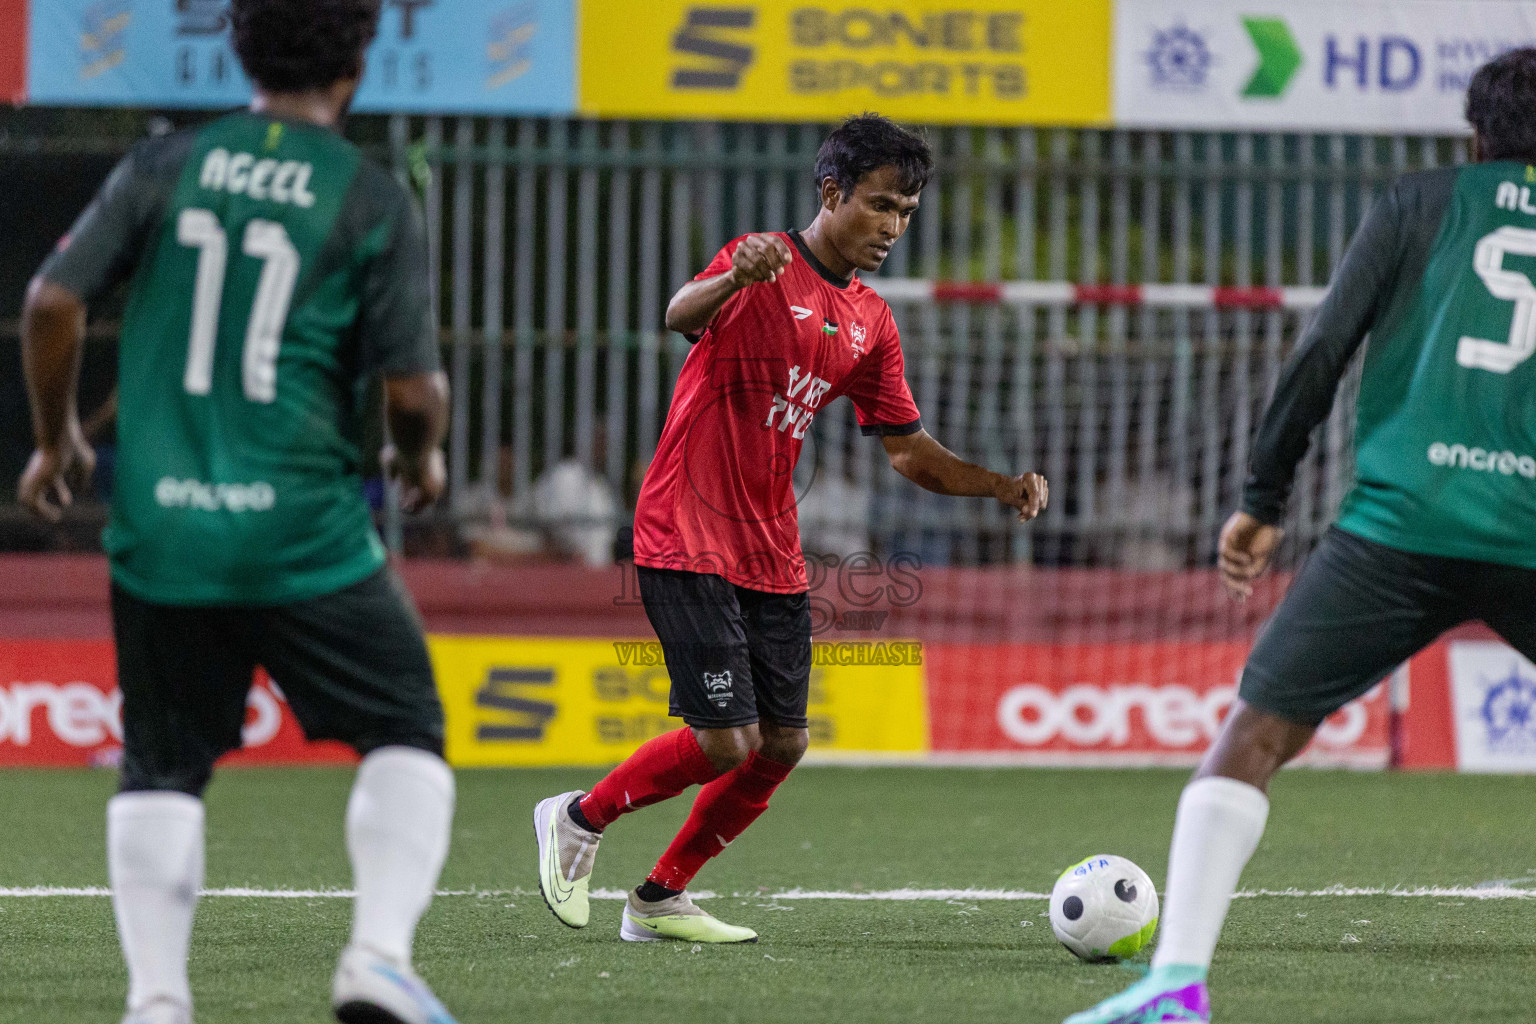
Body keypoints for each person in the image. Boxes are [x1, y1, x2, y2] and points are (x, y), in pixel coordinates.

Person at [1068, 48, 1536, 1024]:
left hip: (1401, 523)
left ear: (1475, 134)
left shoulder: (1421, 199)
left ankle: (1176, 986)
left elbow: (1324, 344)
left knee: (1257, 733)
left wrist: (1262, 497)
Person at [18, 1, 459, 1021]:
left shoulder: (164, 166)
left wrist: (58, 439)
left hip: (161, 528)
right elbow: (413, 391)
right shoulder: (370, 194)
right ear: (354, 66)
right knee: (404, 725)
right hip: (301, 533)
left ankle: (158, 1000)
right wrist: (417, 456)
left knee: (163, 761)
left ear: (241, 53)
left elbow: (51, 301)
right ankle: (376, 958)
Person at [534, 113, 1049, 944]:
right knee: (724, 741)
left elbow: (908, 452)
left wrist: (999, 487)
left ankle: (660, 897)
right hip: (684, 529)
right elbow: (678, 311)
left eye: (907, 213)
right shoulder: (760, 261)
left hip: (769, 550)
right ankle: (578, 818)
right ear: (831, 191)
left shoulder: (872, 322)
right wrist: (734, 276)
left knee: (782, 743)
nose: (892, 227)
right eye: (880, 205)